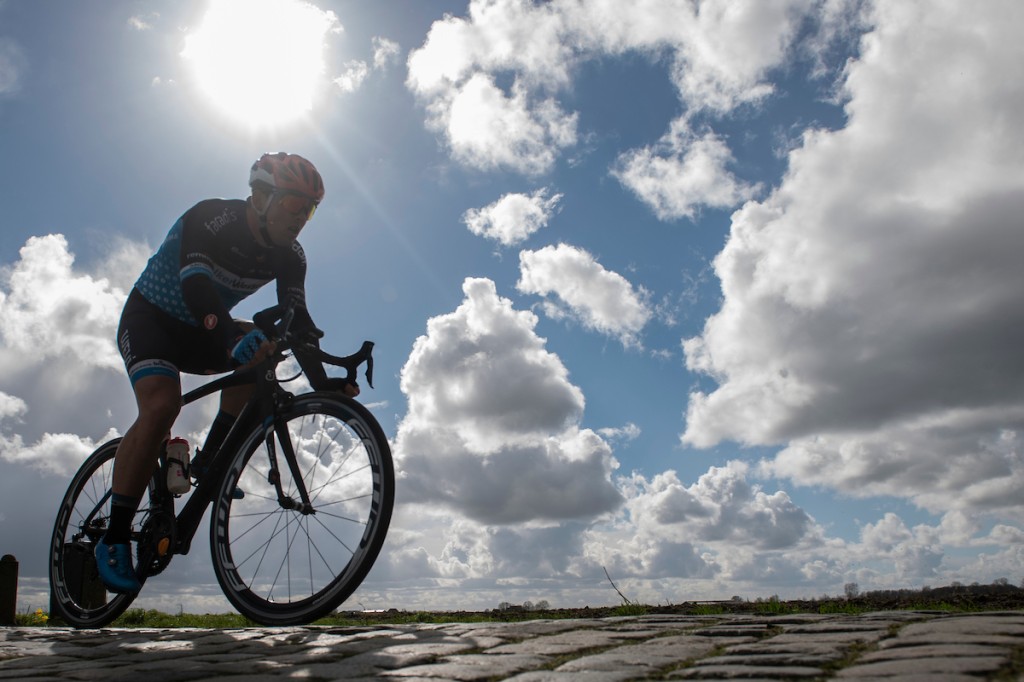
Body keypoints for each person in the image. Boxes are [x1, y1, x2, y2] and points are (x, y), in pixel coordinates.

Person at [97, 152, 357, 593]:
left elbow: (299, 322)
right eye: (294, 204)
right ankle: (116, 536)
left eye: (310, 210)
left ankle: (210, 463)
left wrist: (326, 382)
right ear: (260, 196)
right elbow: (196, 287)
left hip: (205, 332)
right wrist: (232, 341)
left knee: (265, 358)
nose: (301, 218)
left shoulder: (291, 256)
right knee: (163, 406)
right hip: (152, 322)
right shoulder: (212, 219)